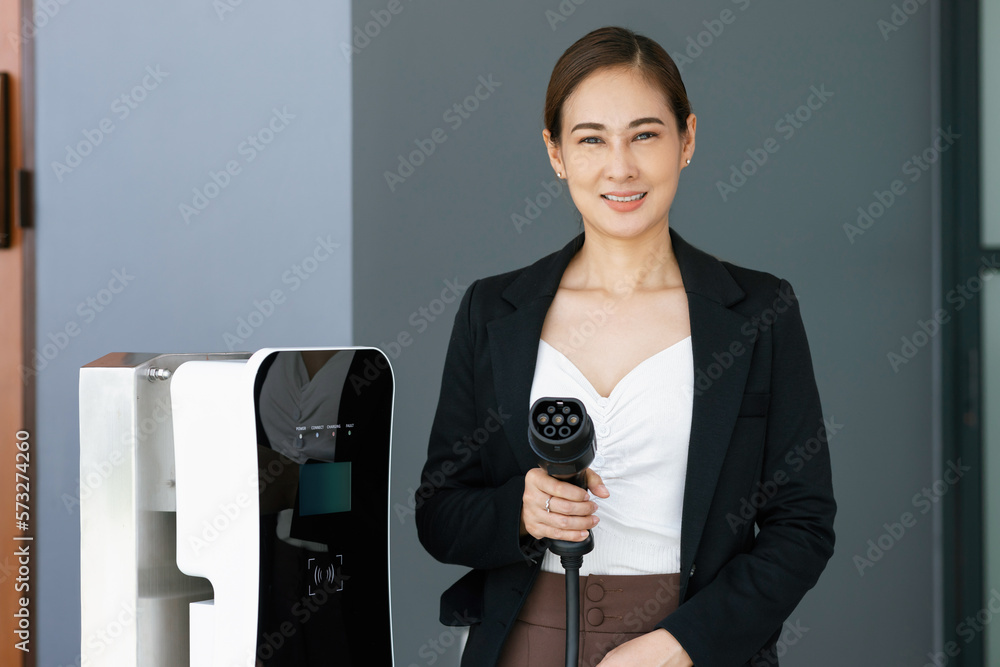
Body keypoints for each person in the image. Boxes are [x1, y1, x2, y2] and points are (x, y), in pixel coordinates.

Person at [415, 26, 836, 667]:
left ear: (686, 139)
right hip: (521, 644)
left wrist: (683, 645)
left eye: (645, 134)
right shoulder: (492, 311)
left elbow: (802, 525)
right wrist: (520, 511)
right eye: (591, 139)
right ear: (555, 153)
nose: (621, 167)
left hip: (689, 649)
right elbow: (440, 514)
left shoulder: (758, 312)